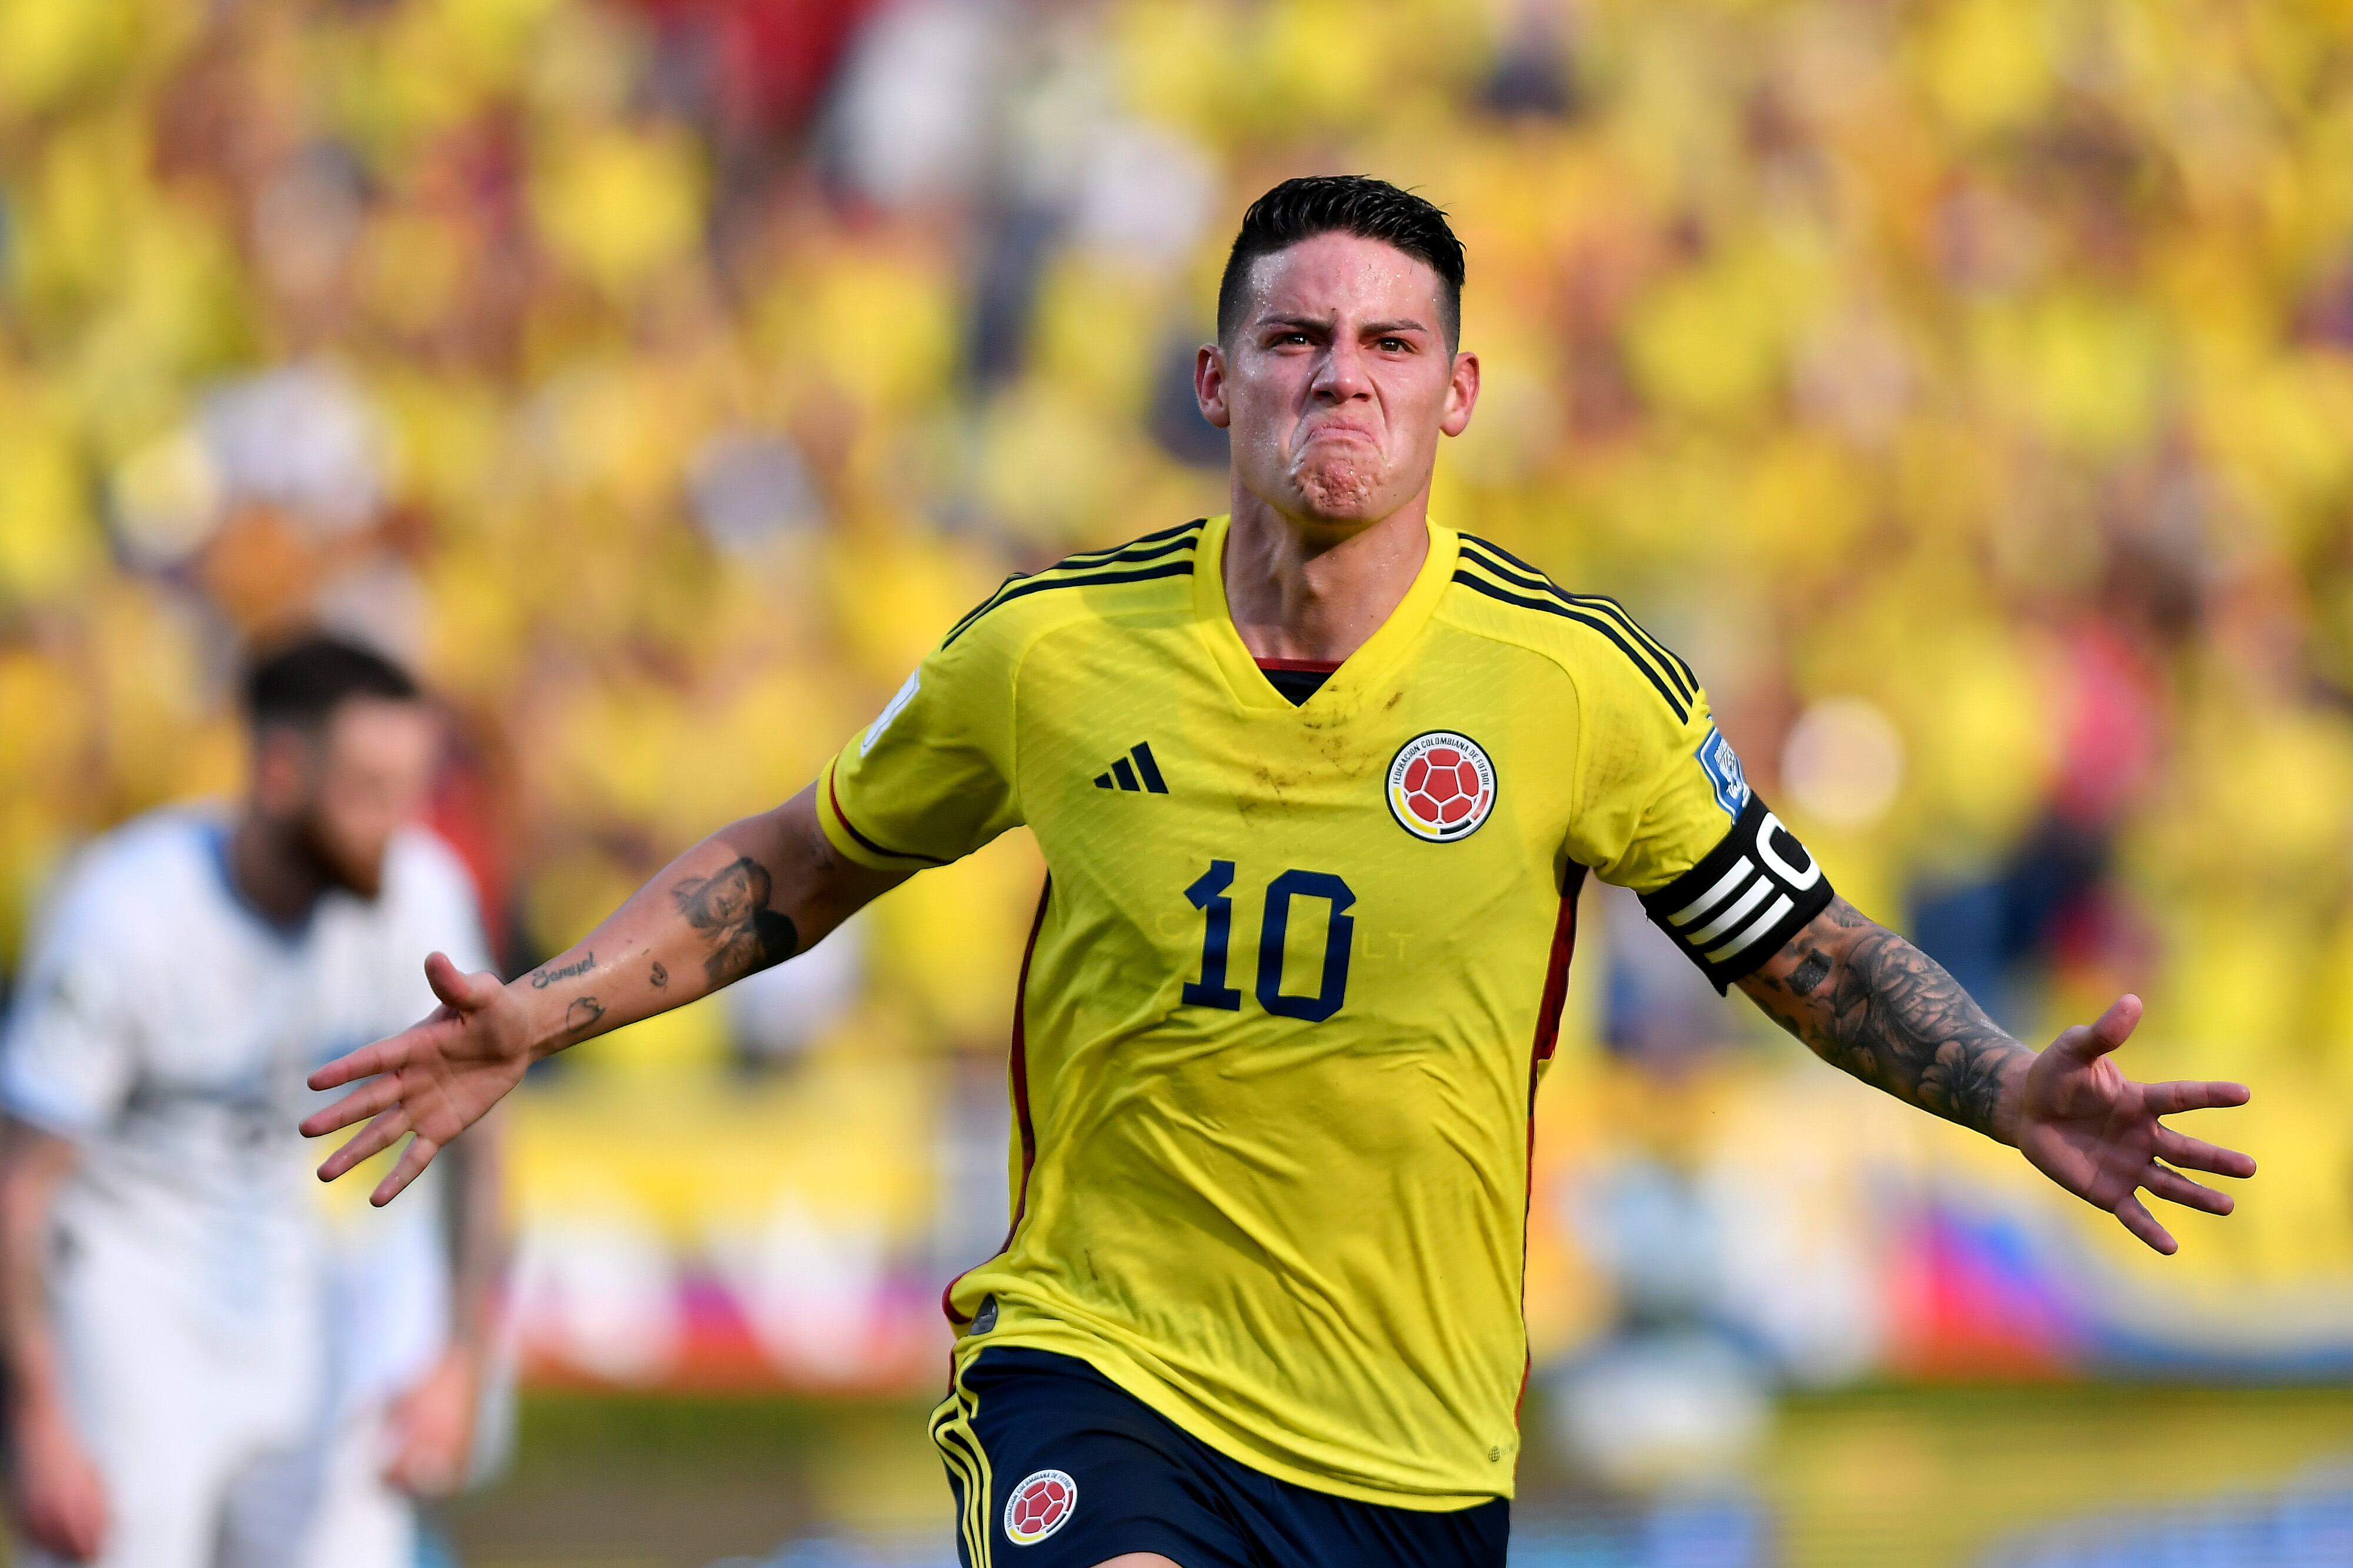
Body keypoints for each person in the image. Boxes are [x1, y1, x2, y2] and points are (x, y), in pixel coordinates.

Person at [305, 177, 2257, 1568]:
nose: (1347, 375)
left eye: (1391, 342)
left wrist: (2000, 1081)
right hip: (1103, 1365)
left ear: (1460, 393)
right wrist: (550, 1008)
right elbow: (804, 858)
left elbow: (1796, 945)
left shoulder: (1579, 688)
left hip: (1410, 1443)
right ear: (1217, 382)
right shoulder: (1049, 652)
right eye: (1298, 337)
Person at [2, 635, 504, 1568]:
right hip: (125, 1315)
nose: (397, 824)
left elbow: (486, 1147)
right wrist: (38, 1418)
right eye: (369, 790)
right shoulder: (127, 911)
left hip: (293, 1294)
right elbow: (21, 1182)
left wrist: (459, 1359)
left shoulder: (421, 894)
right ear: (280, 771)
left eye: (412, 791)